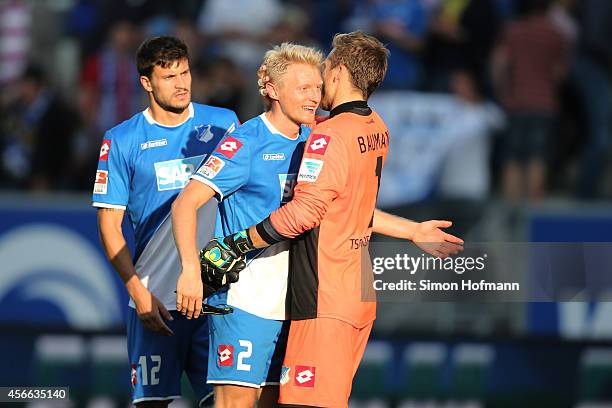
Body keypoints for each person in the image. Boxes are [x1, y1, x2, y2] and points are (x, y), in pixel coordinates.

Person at [199, 31, 464, 407]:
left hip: (324, 296)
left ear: (338, 73)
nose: (321, 78)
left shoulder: (328, 138)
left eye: (325, 68)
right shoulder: (376, 128)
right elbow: (349, 206)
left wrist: (237, 244)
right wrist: (412, 230)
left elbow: (306, 211)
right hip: (357, 291)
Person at [172, 42, 323, 408]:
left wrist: (412, 231)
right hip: (245, 299)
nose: (314, 97)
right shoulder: (244, 142)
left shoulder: (316, 140)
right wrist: (190, 270)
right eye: (303, 88)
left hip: (296, 298)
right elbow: (184, 204)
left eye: (318, 87)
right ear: (271, 89)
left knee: (277, 401)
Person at [92, 36, 239, 407]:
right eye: (170, 76)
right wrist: (139, 294)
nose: (182, 83)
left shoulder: (224, 124)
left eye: (185, 72)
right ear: (147, 83)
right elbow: (110, 227)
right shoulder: (122, 140)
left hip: (215, 297)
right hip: (157, 301)